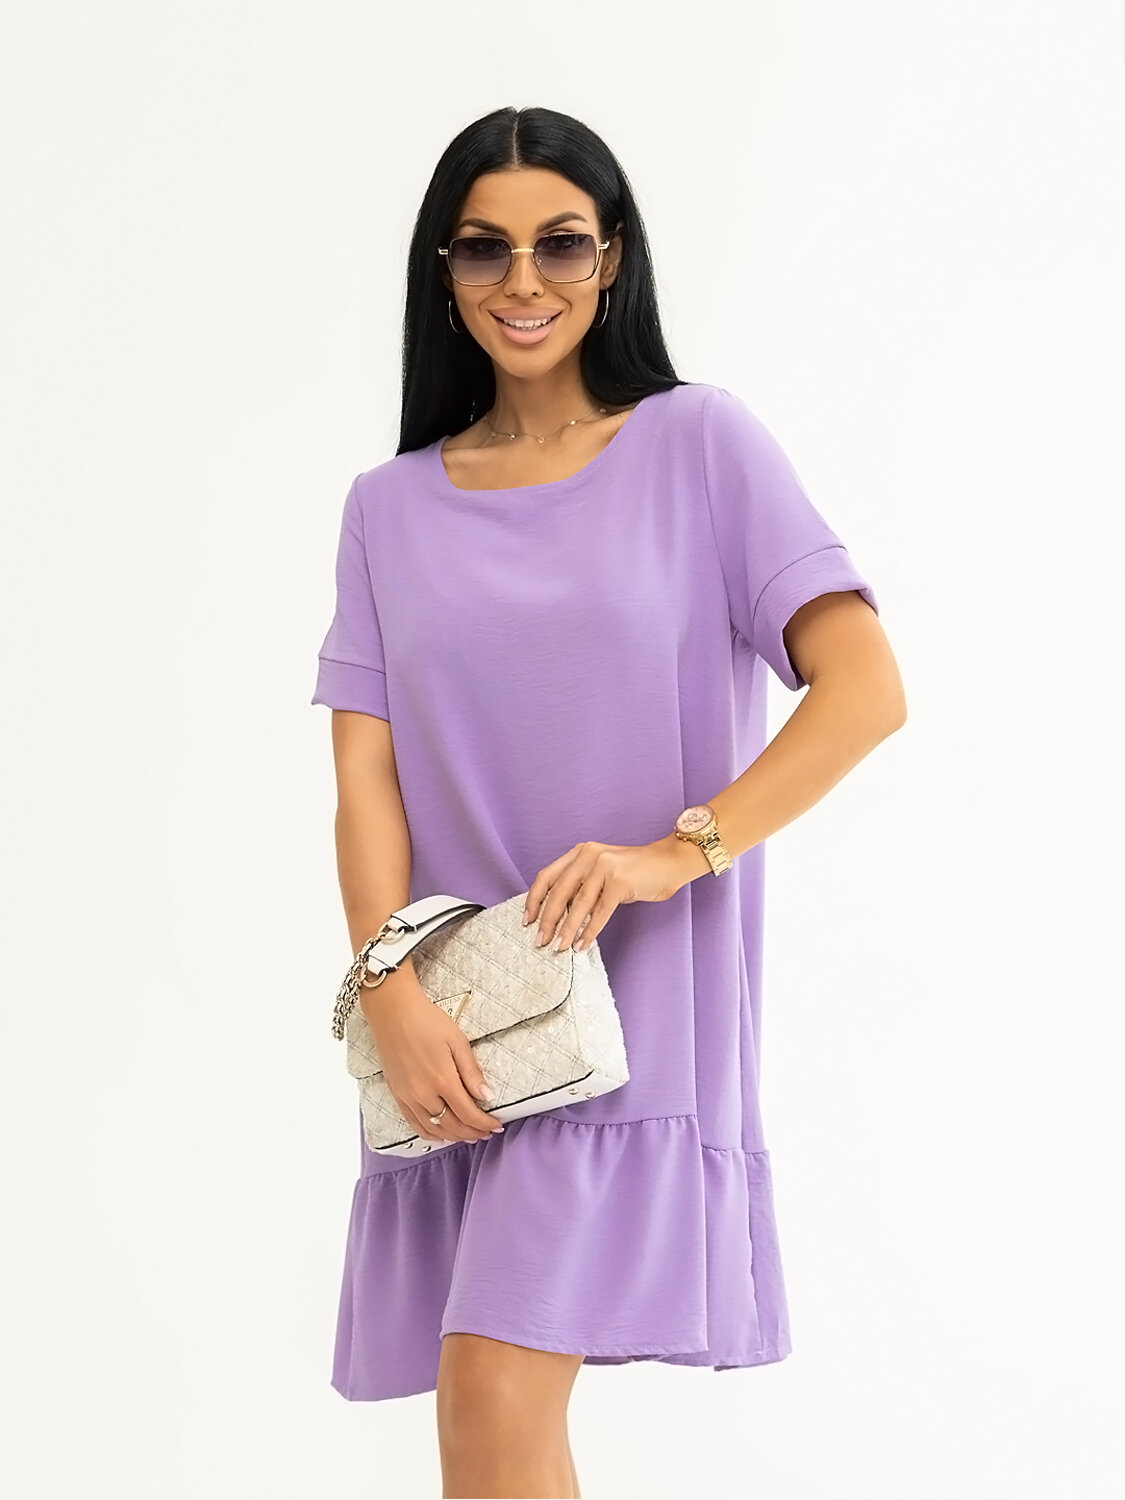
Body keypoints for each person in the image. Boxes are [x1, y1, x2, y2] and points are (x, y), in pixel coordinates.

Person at [310, 103, 907, 1500]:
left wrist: (672, 854)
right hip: (462, 1020)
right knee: (488, 1413)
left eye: (559, 244)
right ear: (443, 273)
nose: (523, 280)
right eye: (484, 248)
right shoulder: (386, 509)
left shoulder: (699, 445)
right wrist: (385, 991)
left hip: (639, 1013)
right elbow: (362, 781)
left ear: (612, 259)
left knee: (492, 1390)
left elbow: (865, 686)